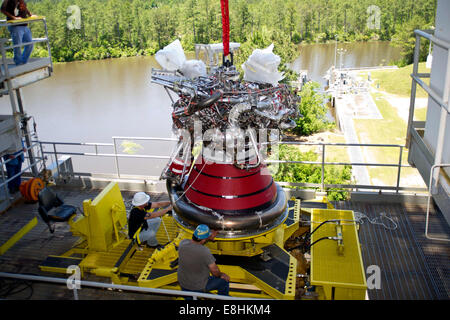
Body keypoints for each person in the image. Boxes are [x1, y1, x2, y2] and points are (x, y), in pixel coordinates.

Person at [177, 224, 230, 297]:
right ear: (204, 239)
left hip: (183, 284)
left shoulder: (182, 243)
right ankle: (223, 298)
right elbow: (215, 272)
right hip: (197, 287)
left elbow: (194, 241)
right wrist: (222, 274)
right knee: (224, 281)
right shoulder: (204, 251)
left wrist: (207, 237)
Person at [1, 0, 36, 65]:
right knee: (17, 45)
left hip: (24, 25)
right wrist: (14, 18)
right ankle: (18, 62)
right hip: (15, 26)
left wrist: (30, 14)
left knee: (30, 44)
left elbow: (25, 7)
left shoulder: (21, 1)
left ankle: (23, 61)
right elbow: (2, 9)